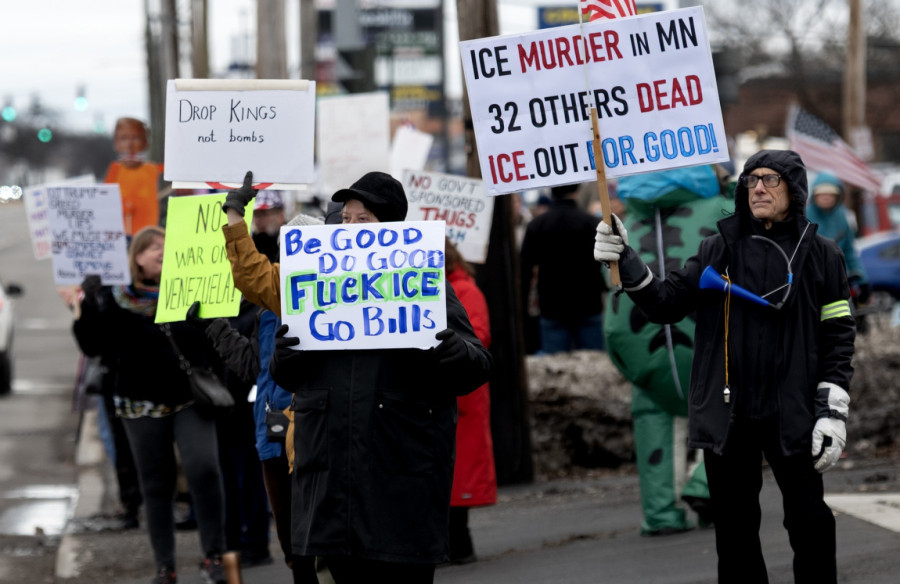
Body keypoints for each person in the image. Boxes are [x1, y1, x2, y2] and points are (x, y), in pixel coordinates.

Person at [594, 149, 855, 583]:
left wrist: (833, 408)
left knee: (810, 523)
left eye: (770, 180)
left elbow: (839, 334)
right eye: (751, 179)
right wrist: (626, 258)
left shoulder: (823, 254)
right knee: (734, 535)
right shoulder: (718, 248)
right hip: (729, 412)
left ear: (795, 189)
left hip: (794, 410)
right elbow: (665, 302)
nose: (758, 188)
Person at [219, 170, 492, 583]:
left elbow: (476, 366)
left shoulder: (425, 281)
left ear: (391, 228)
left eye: (363, 220)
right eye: (345, 219)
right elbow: (285, 367)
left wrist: (456, 352)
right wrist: (284, 358)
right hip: (332, 487)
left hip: (399, 483)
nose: (350, 229)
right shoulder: (313, 283)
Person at [72, 226, 229, 584]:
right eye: (152, 247)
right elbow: (93, 346)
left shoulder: (188, 290)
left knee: (204, 468)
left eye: (165, 246)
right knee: (156, 485)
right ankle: (165, 566)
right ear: (136, 258)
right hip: (140, 405)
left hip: (190, 399)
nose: (160, 251)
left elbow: (212, 339)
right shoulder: (115, 299)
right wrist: (89, 305)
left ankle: (214, 556)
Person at [604, 166, 726, 536]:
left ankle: (660, 511)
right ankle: (708, 486)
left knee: (653, 418)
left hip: (641, 350)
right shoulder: (722, 210)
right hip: (708, 346)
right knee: (732, 409)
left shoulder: (622, 224)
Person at [443, 238, 497, 564]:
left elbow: (479, 337)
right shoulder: (458, 287)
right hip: (451, 395)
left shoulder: (466, 290)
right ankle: (452, 545)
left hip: (463, 397)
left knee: (459, 478)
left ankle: (459, 546)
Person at [520, 182, 607, 353]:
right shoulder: (592, 223)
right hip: (589, 303)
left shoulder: (537, 225)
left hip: (552, 305)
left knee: (555, 369)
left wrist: (524, 308)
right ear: (577, 190)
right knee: (595, 369)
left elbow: (524, 270)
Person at [807, 172, 872, 326]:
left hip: (840, 280)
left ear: (838, 196)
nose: (826, 197)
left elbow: (849, 251)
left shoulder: (843, 217)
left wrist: (862, 279)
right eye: (822, 194)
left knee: (838, 324)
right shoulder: (804, 216)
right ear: (814, 195)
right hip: (811, 281)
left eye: (831, 194)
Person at [104, 117, 161, 237]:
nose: (130, 144)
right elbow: (106, 196)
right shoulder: (115, 169)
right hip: (122, 232)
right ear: (116, 142)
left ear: (145, 141)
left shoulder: (150, 169)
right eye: (124, 138)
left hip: (147, 232)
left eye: (135, 138)